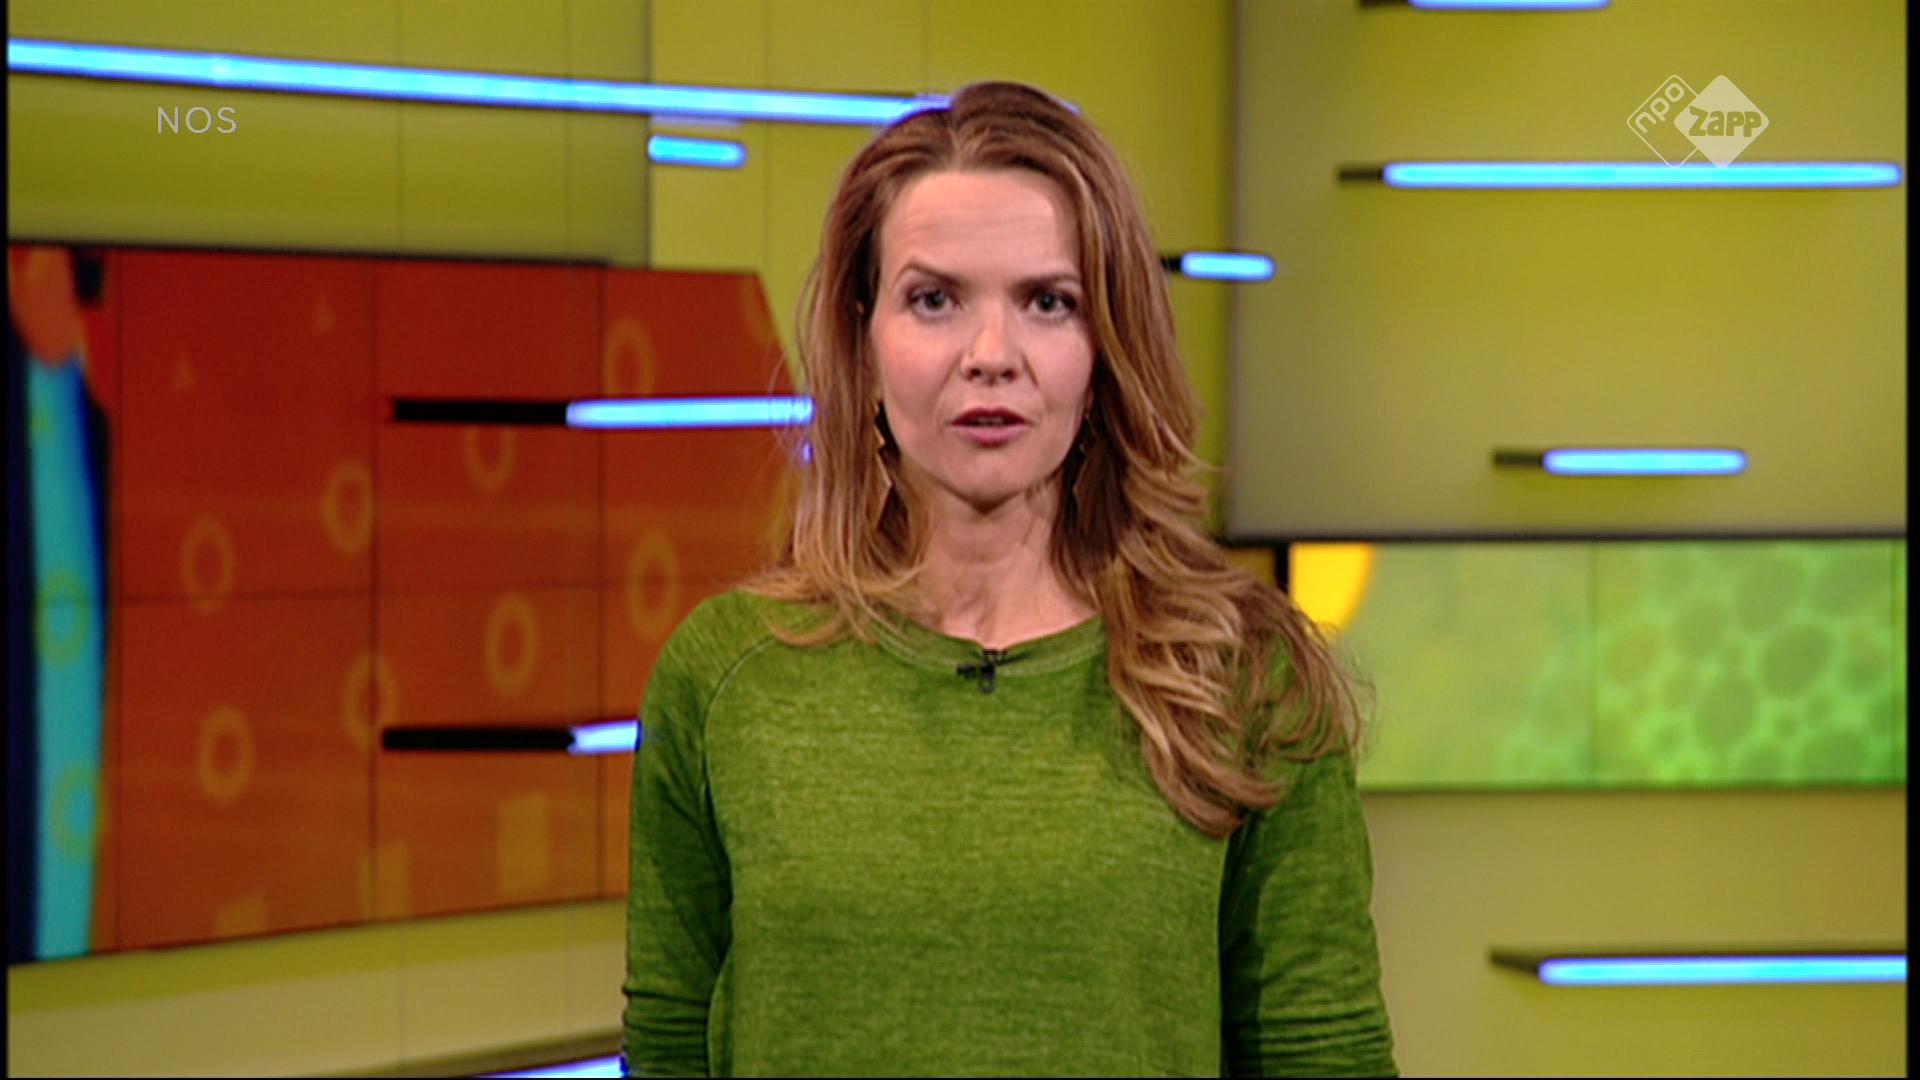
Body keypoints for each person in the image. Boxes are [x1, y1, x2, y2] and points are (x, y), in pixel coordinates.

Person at [622, 80, 1395, 1078]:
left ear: (1105, 346)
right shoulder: (725, 678)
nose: (992, 356)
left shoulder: (1244, 676)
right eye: (934, 300)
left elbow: (1325, 1058)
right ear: (863, 338)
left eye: (1047, 302)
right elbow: (668, 1048)